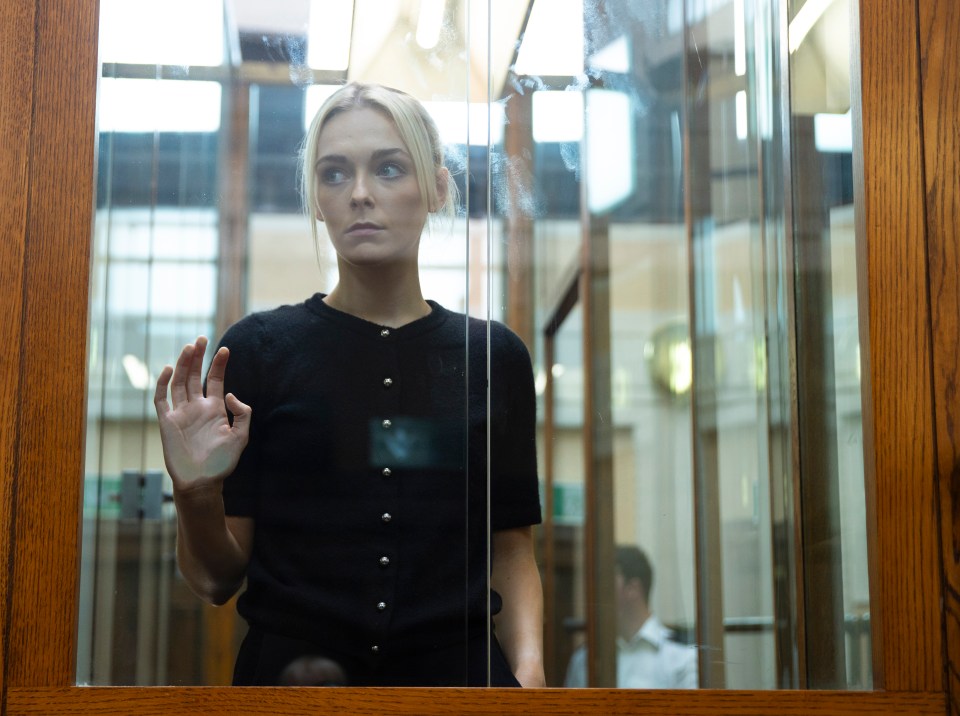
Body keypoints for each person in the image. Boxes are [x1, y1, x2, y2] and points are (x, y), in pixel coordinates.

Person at [153, 82, 545, 687]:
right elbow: (214, 581)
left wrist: (530, 676)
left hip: (459, 685)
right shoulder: (258, 351)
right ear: (316, 199)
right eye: (335, 174)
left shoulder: (494, 357)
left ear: (439, 188)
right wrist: (195, 493)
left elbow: (511, 545)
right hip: (294, 688)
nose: (360, 194)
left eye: (389, 168)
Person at [564, 545, 698, 688]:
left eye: (607, 584)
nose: (597, 594)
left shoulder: (681, 657)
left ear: (633, 589)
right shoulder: (583, 661)